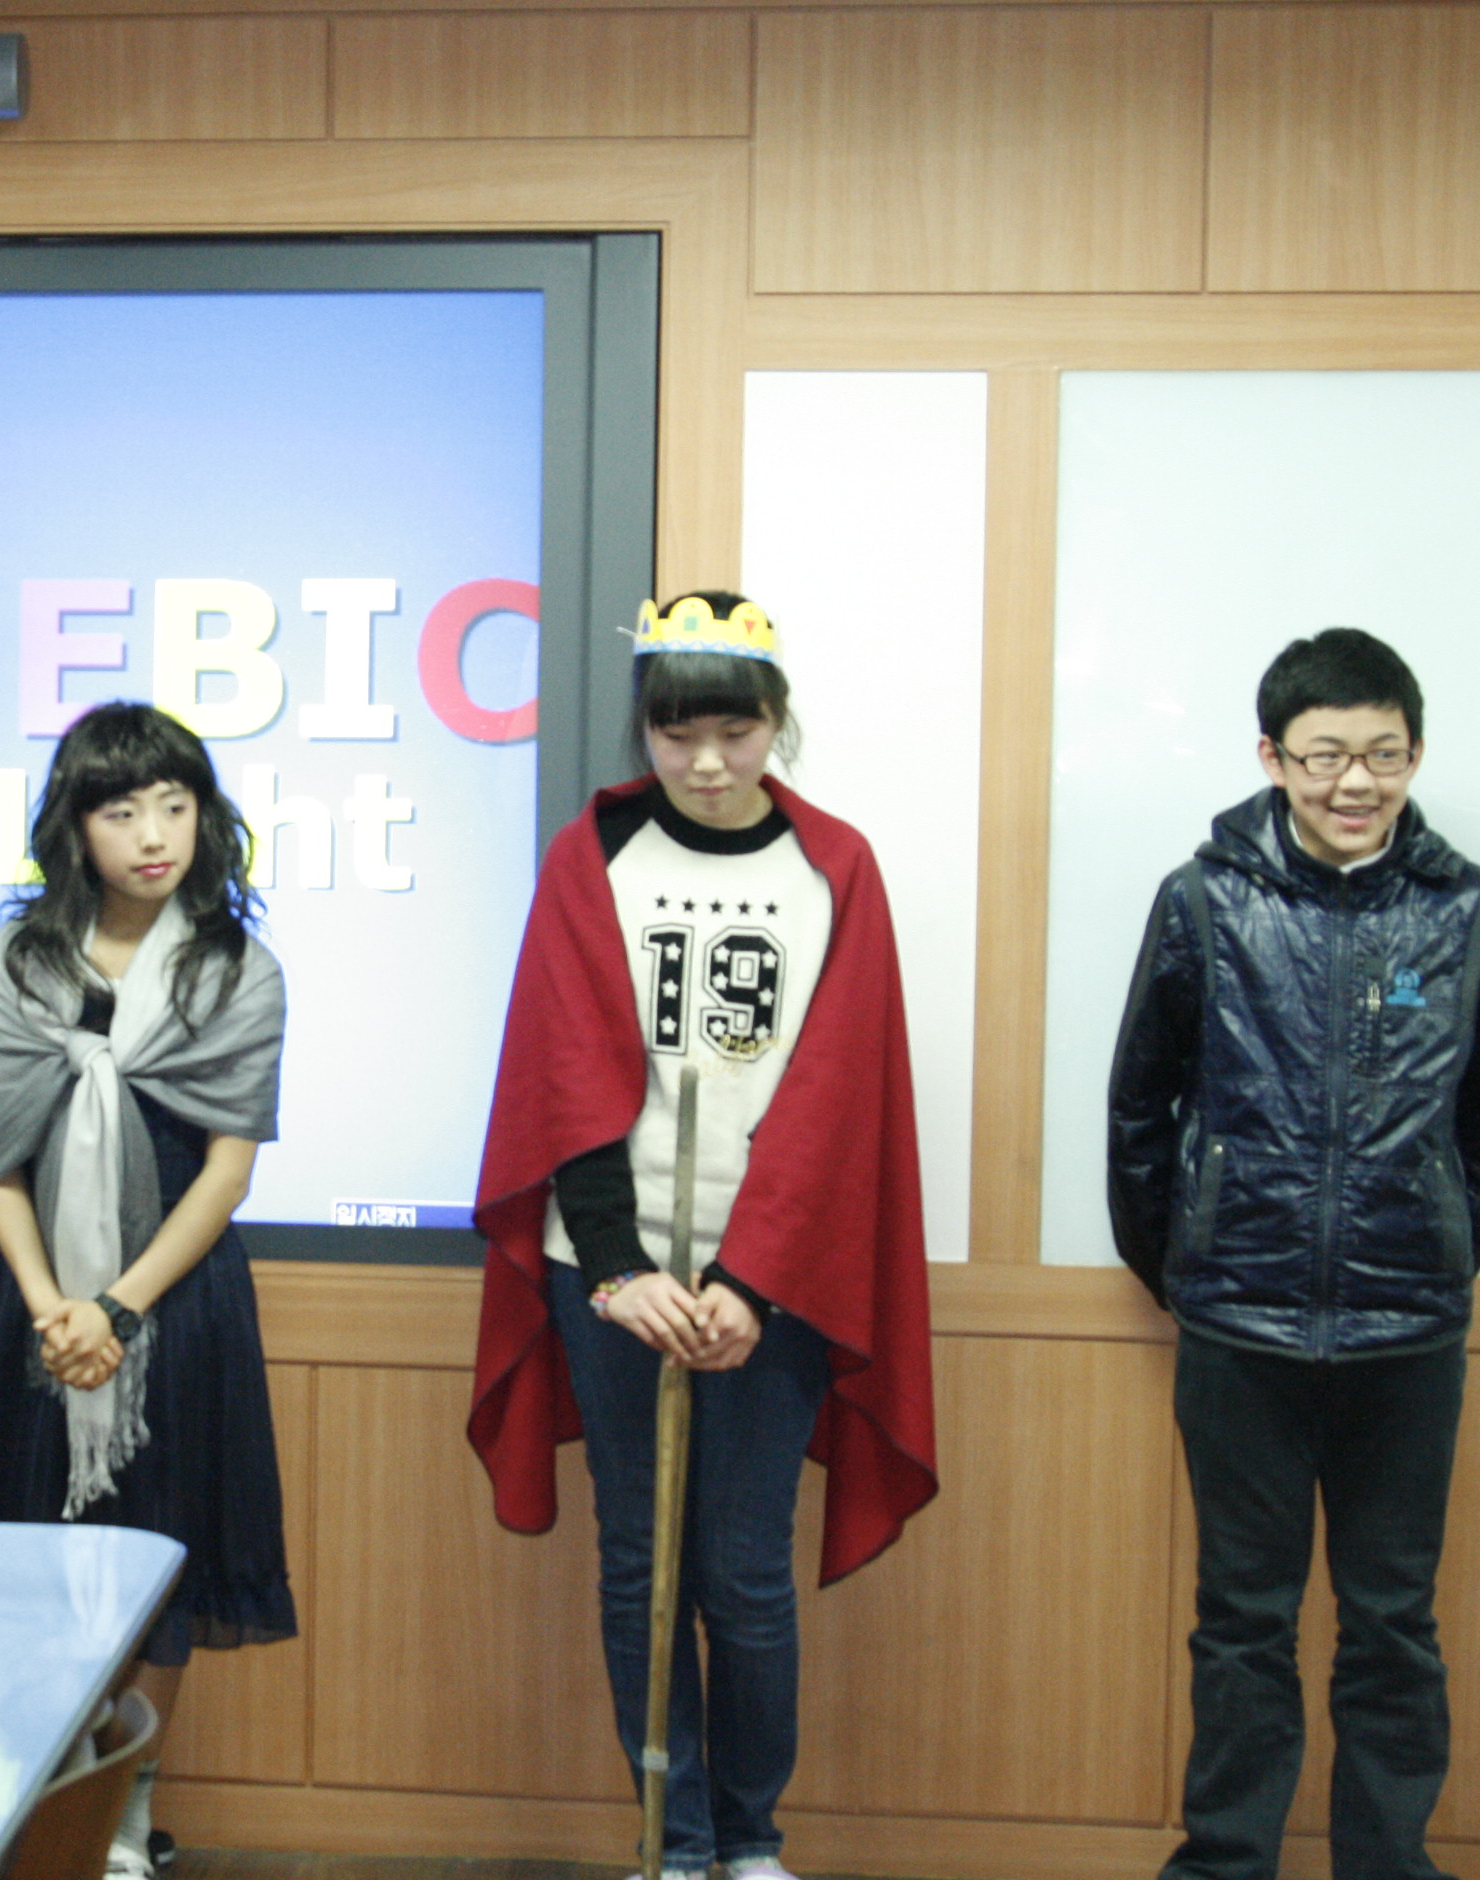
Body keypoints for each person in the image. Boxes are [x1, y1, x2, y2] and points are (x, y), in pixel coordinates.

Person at [468, 593, 938, 1880]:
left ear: (776, 723)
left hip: (771, 1277)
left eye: (736, 731)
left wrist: (748, 1280)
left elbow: (837, 1093)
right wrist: (618, 1269)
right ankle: (668, 1841)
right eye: (679, 733)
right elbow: (558, 1068)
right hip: (610, 1271)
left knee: (740, 1568)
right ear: (646, 729)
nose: (709, 762)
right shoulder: (594, 854)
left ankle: (749, 1838)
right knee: (640, 1559)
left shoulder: (833, 865)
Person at [1108, 628, 1480, 1880]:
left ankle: (1386, 1863)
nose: (1355, 781)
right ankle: (1224, 1861)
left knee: (1391, 1622)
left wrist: (1437, 1248)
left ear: (1413, 753)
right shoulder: (1202, 900)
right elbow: (1139, 1105)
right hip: (1236, 1325)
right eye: (1325, 754)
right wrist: (1188, 1267)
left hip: (1407, 1334)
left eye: (1382, 753)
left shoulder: (1467, 908)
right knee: (1240, 1620)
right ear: (1271, 756)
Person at [0, 702, 296, 1880]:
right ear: (73, 826)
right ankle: (47, 1800)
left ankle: (129, 1810)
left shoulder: (236, 968)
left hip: (175, 1305)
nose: (152, 833)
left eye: (173, 804)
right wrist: (55, 1304)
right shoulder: (16, 964)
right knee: (34, 1571)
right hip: (38, 1312)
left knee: (161, 1567)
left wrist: (120, 1309)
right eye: (121, 809)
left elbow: (227, 1172)